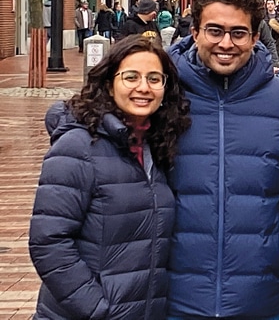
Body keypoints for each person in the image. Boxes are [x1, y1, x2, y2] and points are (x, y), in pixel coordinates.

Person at [167, 0, 279, 320]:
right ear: (195, 32)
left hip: (261, 301)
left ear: (255, 37)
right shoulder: (162, 94)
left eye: (238, 33)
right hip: (174, 300)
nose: (225, 43)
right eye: (214, 31)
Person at [29, 36, 191, 320]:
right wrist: (97, 309)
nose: (144, 87)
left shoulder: (157, 146)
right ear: (108, 83)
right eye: (131, 77)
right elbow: (49, 241)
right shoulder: (78, 146)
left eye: (154, 79)